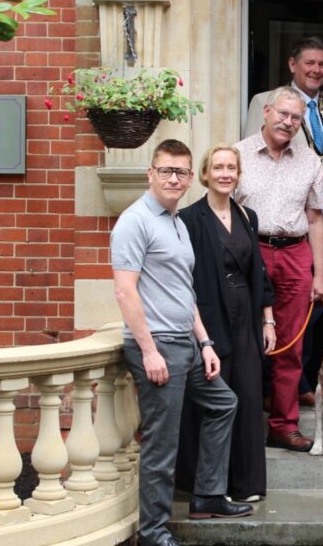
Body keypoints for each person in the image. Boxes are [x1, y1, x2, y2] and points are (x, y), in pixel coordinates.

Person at [112, 139, 253, 546]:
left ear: (192, 178)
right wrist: (149, 350)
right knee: (162, 443)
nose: (174, 178)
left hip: (186, 346)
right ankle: (153, 532)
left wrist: (205, 343)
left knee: (223, 404)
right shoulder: (134, 221)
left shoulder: (175, 222)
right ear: (150, 173)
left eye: (181, 172)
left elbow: (184, 290)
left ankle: (208, 494)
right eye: (166, 171)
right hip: (158, 347)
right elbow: (125, 292)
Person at [245, 36, 323, 405]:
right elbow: (253, 168)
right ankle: (262, 397)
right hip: (264, 234)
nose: (316, 70)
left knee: (309, 311)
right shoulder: (263, 102)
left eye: (322, 64)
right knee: (258, 322)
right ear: (292, 64)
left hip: (319, 224)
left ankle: (297, 387)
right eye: (309, 63)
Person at [176, 144, 277, 503]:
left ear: (238, 174)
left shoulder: (248, 215)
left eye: (231, 168)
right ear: (204, 174)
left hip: (246, 317)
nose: (224, 174)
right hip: (209, 315)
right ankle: (203, 485)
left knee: (247, 398)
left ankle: (246, 484)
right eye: (217, 167)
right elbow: (183, 279)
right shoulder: (189, 219)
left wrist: (268, 320)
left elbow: (259, 273)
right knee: (214, 400)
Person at [234, 86, 323, 452]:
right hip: (248, 250)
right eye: (283, 114)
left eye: (296, 118)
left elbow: (316, 219)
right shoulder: (238, 154)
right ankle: (242, 424)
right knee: (244, 341)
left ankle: (283, 425)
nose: (288, 123)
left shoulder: (309, 162)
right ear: (266, 111)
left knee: (290, 344)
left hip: (294, 253)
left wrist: (319, 274)